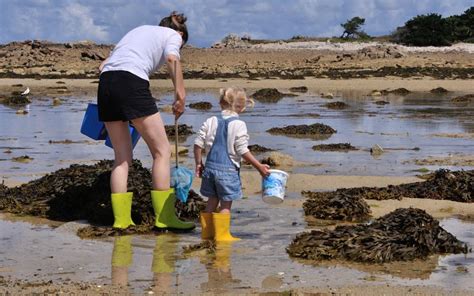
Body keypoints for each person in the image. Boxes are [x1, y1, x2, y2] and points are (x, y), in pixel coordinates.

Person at [98, 11, 194, 230]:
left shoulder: (137, 31)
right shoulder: (173, 35)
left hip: (106, 83)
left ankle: (121, 221)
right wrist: (181, 95)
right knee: (162, 152)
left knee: (121, 157)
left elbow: (102, 66)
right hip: (131, 81)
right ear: (179, 33)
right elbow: (172, 59)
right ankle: (164, 218)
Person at [194, 87, 270, 241]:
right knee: (225, 206)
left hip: (209, 169)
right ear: (242, 108)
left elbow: (197, 144)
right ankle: (222, 236)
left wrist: (198, 163)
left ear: (221, 103)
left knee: (211, 201)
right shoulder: (239, 124)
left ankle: (207, 234)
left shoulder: (211, 121)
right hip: (228, 172)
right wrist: (259, 167)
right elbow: (242, 150)